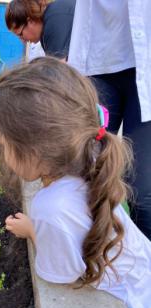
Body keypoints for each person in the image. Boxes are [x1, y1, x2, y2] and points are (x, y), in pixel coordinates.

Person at [0, 57, 151, 308]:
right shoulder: (86, 153)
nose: (3, 153)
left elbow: (64, 274)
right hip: (142, 271)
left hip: (134, 302)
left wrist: (34, 231)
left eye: (6, 143)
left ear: (33, 151)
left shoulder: (50, 208)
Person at [68, 0, 151, 240]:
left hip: (145, 64)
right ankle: (88, 258)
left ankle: (144, 269)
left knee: (143, 193)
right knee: (83, 175)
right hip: (97, 59)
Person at [5, 0, 76, 59]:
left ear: (30, 21)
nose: (23, 41)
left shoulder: (53, 21)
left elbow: (58, 71)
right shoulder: (48, 22)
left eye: (20, 34)